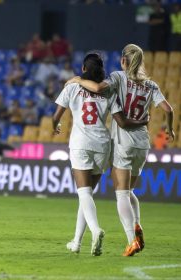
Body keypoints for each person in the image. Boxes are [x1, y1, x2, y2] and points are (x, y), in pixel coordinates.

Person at [67, 44, 174, 256]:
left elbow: (97, 89)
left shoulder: (117, 77)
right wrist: (170, 129)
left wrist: (77, 79)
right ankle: (137, 225)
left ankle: (131, 239)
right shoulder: (151, 85)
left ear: (124, 61)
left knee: (122, 193)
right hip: (143, 143)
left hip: (123, 142)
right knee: (130, 191)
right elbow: (168, 109)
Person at [54, 53, 150, 256]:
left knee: (84, 193)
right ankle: (77, 242)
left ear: (83, 69)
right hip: (102, 145)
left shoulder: (72, 87)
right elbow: (122, 121)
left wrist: (57, 125)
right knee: (86, 194)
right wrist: (143, 122)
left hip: (81, 144)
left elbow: (56, 116)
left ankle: (96, 230)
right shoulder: (109, 92)